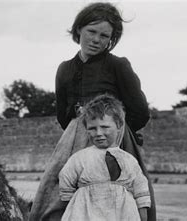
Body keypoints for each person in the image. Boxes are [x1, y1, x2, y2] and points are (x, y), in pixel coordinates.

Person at [29, 2, 155, 221]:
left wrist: (117, 132)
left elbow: (140, 111)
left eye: (105, 36)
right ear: (79, 29)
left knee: (121, 199)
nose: (96, 40)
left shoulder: (118, 65)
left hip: (115, 139)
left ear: (111, 39)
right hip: (75, 140)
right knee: (57, 196)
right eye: (91, 32)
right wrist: (76, 134)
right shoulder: (65, 69)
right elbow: (62, 114)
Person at [58, 94, 150, 221]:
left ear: (118, 126)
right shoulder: (80, 158)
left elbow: (141, 190)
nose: (99, 133)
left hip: (122, 213)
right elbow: (66, 180)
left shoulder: (129, 160)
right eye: (92, 128)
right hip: (86, 213)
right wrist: (74, 208)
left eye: (105, 127)